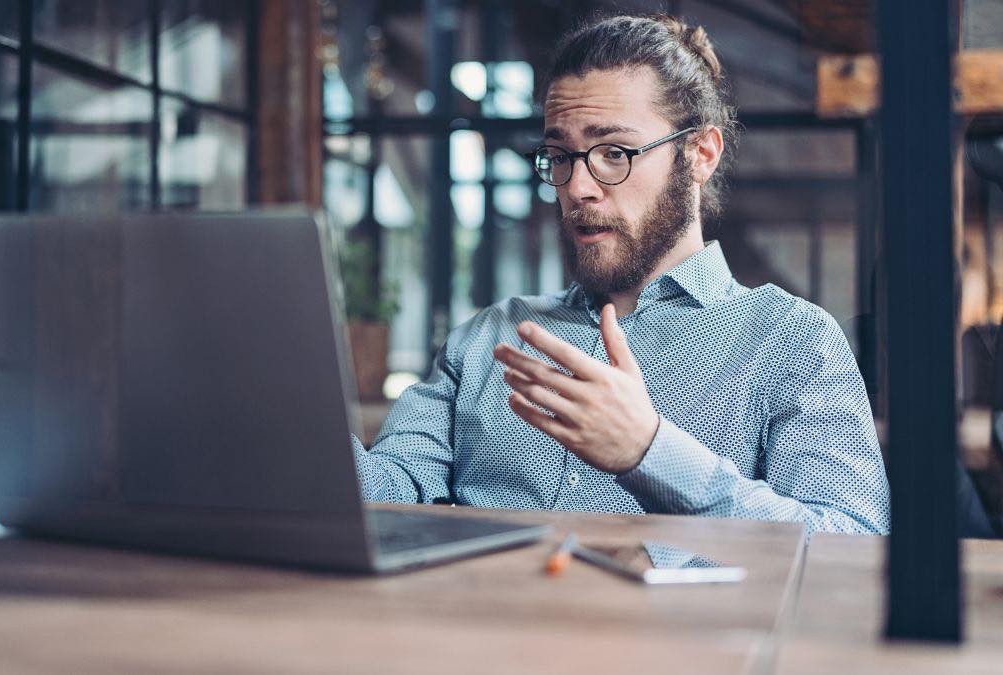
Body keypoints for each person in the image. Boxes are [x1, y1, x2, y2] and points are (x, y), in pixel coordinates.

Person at [353, 13, 890, 535]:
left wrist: (650, 452)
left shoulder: (793, 342)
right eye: (560, 156)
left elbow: (852, 541)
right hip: (481, 623)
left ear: (700, 154)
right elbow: (383, 496)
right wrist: (292, 415)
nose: (577, 186)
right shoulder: (491, 338)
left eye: (613, 153)